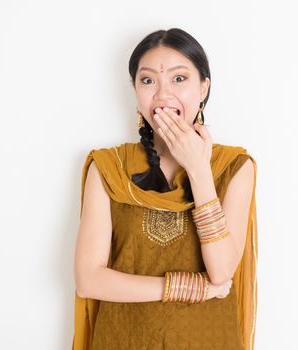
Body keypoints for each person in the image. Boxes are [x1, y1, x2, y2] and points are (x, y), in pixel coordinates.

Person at [72, 28, 258, 350]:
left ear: (204, 88)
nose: (162, 94)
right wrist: (190, 288)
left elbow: (222, 270)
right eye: (148, 81)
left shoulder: (234, 167)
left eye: (179, 79)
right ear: (135, 91)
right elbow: (88, 280)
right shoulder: (109, 168)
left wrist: (199, 169)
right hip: (123, 339)